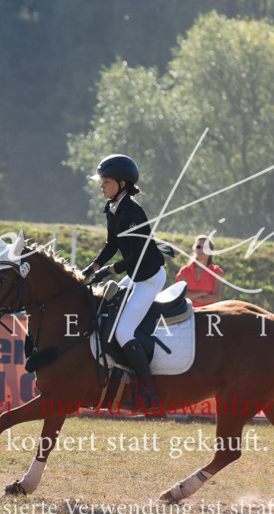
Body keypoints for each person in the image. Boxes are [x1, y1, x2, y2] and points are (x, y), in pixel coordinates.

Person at [82, 154, 167, 414]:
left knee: (122, 332)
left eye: (105, 182)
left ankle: (150, 394)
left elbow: (138, 255)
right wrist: (93, 267)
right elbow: (112, 244)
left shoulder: (133, 211)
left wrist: (109, 270)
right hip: (135, 273)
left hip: (149, 278)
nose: (101, 186)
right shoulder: (112, 207)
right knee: (108, 319)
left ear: (121, 184)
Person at [176, 234, 223, 307]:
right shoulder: (184, 271)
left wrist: (191, 297)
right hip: (187, 313)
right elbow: (181, 295)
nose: (201, 250)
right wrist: (203, 293)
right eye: (198, 247)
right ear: (194, 249)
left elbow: (215, 298)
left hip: (209, 313)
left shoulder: (217, 272)